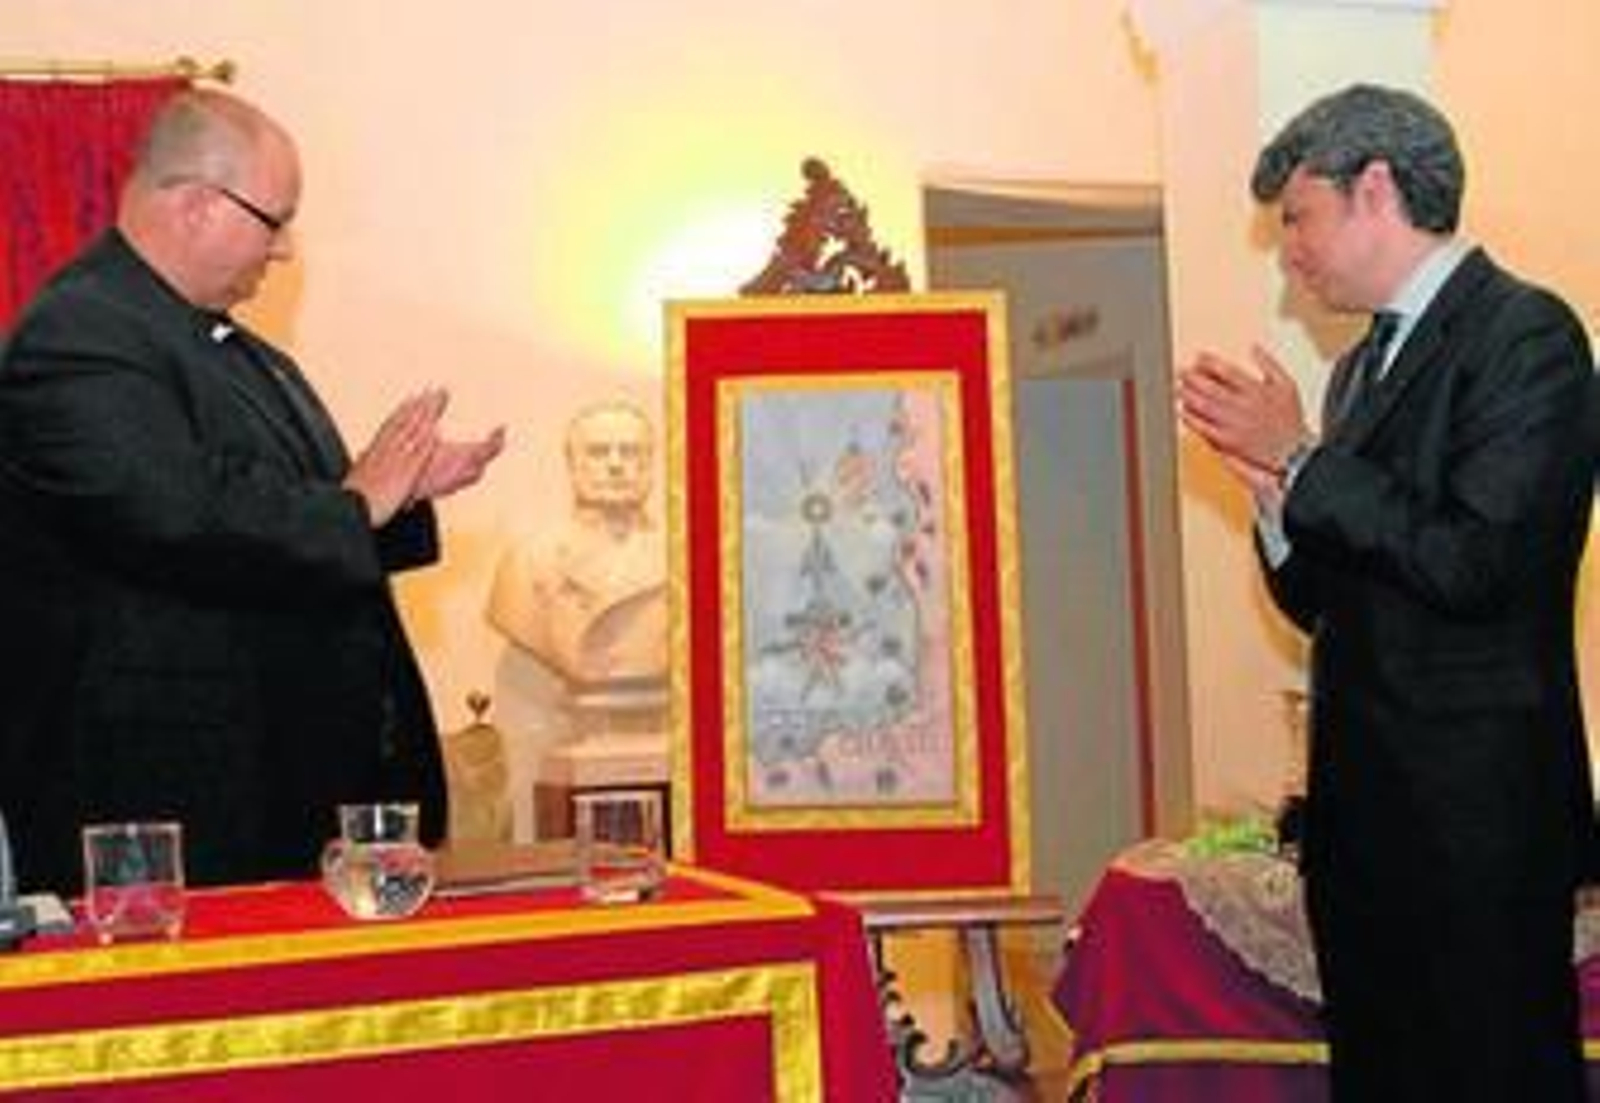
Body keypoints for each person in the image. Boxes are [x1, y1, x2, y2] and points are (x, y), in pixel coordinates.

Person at [1178, 83, 1598, 1101]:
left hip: (1476, 830)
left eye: (1297, 217)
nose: (1288, 252)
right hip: (1366, 833)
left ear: (1375, 189)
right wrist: (1279, 498)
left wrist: (1307, 463)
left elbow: (1477, 563)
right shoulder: (1356, 372)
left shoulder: (1526, 335)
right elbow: (1336, 603)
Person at [0, 89, 505, 895]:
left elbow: (295, 525)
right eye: (276, 220)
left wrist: (398, 494)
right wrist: (358, 504)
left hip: (279, 794)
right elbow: (179, 518)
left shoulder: (238, 351)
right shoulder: (81, 334)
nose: (283, 252)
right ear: (198, 204)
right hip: (171, 813)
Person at [487, 400, 667, 688]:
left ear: (649, 464)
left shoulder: (682, 556)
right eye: (598, 453)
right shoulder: (526, 561)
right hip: (562, 721)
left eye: (630, 452)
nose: (616, 464)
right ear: (572, 465)